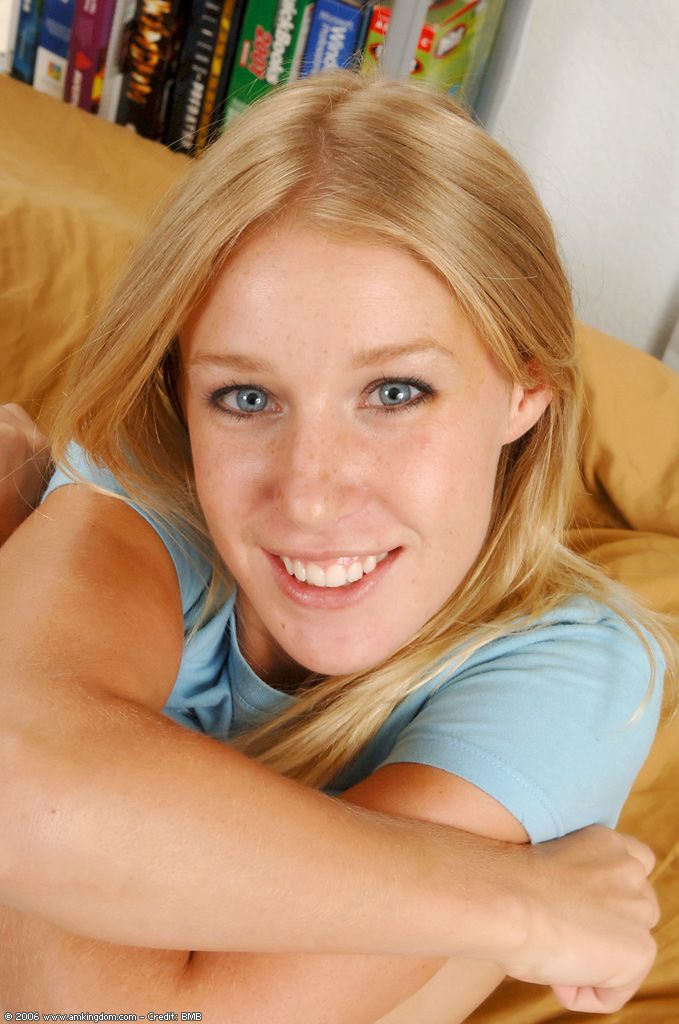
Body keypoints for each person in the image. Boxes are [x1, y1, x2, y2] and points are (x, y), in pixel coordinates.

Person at [0, 70, 674, 1022]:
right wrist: (520, 902)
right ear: (179, 393)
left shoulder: (581, 670)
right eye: (245, 397)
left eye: (396, 392)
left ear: (526, 385)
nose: (310, 496)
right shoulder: (148, 487)